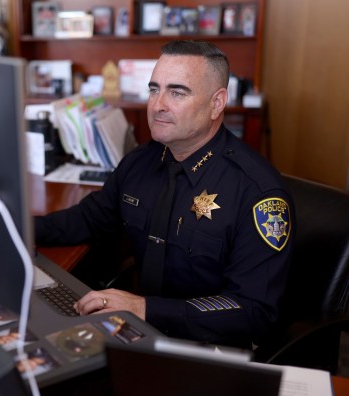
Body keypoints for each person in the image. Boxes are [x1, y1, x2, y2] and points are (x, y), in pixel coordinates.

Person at [34, 40, 294, 349]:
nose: (158, 105)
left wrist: (146, 309)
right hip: (137, 332)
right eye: (154, 89)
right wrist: (15, 228)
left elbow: (255, 310)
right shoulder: (141, 162)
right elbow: (88, 219)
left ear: (217, 103)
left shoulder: (257, 193)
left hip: (209, 347)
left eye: (177, 92)